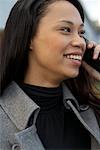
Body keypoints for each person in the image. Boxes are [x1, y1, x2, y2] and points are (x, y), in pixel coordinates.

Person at [0, 0, 100, 149]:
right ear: (28, 37)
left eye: (81, 33)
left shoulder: (91, 111)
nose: (80, 42)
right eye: (66, 29)